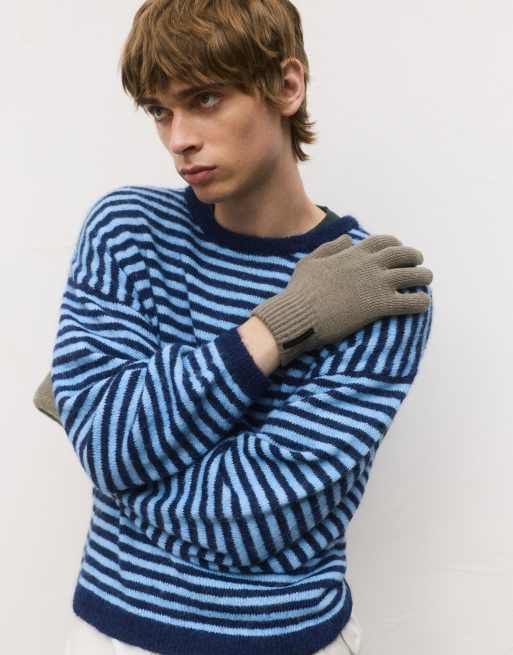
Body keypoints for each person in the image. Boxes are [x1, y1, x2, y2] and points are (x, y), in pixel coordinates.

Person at [33, 1, 434, 654]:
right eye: (160, 111)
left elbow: (254, 520)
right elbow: (110, 446)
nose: (178, 139)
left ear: (287, 86)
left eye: (205, 99)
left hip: (286, 640)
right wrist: (278, 328)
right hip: (112, 636)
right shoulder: (128, 232)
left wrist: (107, 451)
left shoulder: (380, 289)